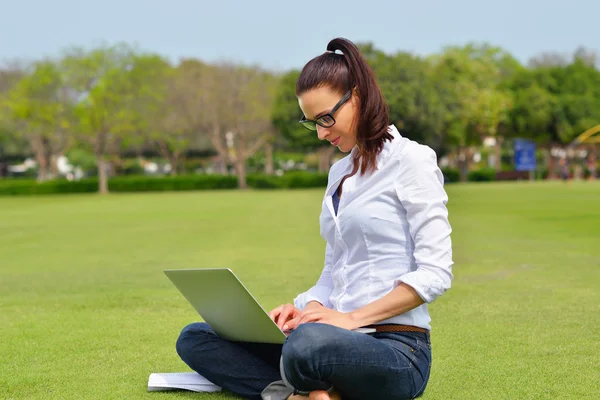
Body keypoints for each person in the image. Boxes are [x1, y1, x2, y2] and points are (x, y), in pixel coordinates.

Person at [175, 37, 454, 400]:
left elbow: (436, 273)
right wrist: (308, 308)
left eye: (326, 118)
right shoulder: (339, 174)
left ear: (358, 95)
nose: (322, 133)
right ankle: (302, 394)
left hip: (396, 349)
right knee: (196, 338)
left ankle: (308, 385)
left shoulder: (412, 161)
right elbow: (334, 270)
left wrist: (351, 319)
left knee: (307, 347)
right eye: (312, 123)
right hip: (330, 335)